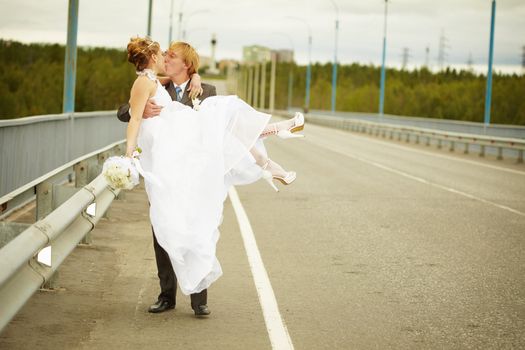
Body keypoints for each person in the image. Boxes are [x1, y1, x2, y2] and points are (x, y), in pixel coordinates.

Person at [121, 37, 304, 317]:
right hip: (167, 166)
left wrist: (196, 76)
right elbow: (128, 112)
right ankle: (166, 296)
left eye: (172, 56)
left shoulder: (204, 89)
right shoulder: (154, 82)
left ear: (187, 65)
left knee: (198, 227)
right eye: (164, 54)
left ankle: (198, 298)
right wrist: (139, 119)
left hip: (193, 168)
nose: (166, 59)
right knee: (164, 228)